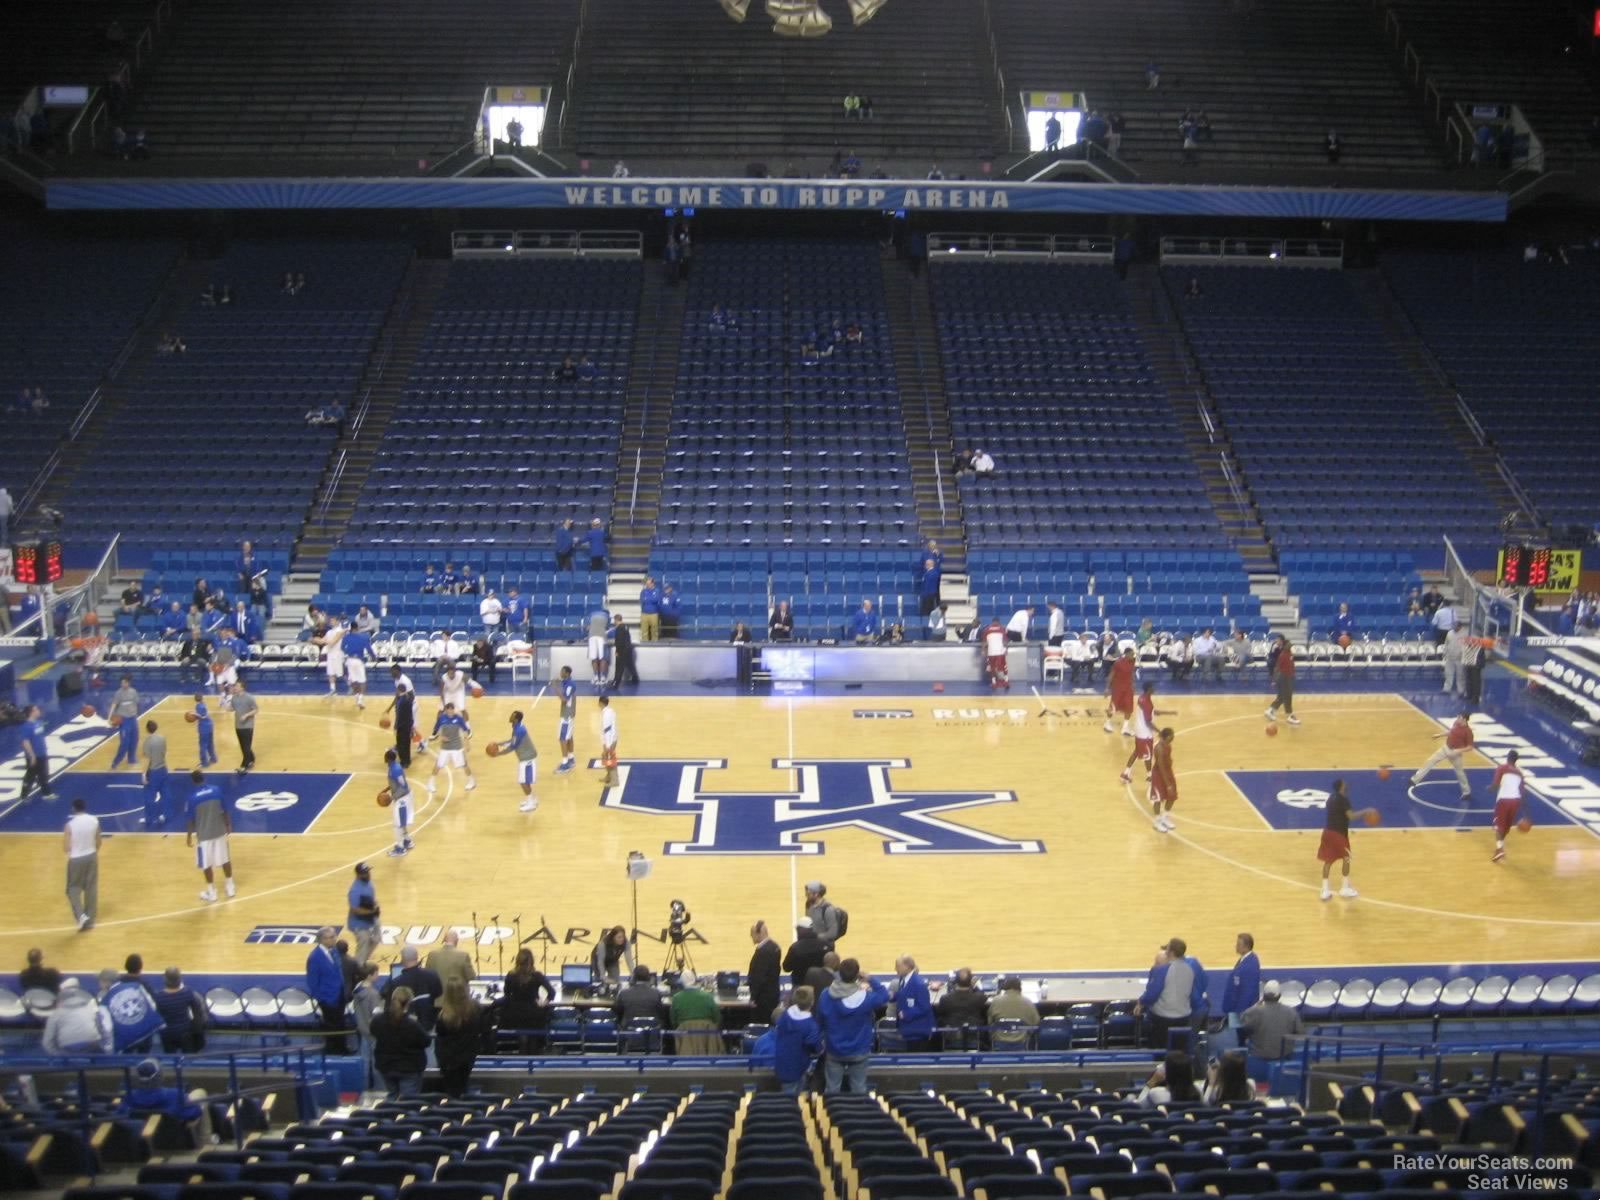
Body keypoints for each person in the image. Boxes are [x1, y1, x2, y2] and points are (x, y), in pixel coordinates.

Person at [817, 960, 889, 1093]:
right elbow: (884, 995)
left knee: (832, 1089)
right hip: (859, 1050)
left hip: (834, 1049)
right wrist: (870, 979)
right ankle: (859, 1112)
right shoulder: (865, 998)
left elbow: (820, 1021)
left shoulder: (826, 995)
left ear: (839, 973)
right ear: (857, 975)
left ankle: (831, 1112)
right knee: (859, 1089)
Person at [1136, 937, 1206, 1050]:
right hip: (1184, 1017)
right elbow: (1192, 992)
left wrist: (1140, 1002)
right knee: (1179, 1049)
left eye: (1167, 948)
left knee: (1160, 1049)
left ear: (1171, 952)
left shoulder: (1161, 970)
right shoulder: (1189, 969)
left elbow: (1152, 994)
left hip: (1163, 1019)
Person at [1318, 778, 1377, 900]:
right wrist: (1367, 811)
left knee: (1328, 861)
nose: (1347, 785)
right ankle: (1344, 888)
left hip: (1327, 832)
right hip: (1339, 834)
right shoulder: (1343, 799)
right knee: (1346, 858)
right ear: (1341, 787)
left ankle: (1325, 890)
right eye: (1345, 784)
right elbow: (1351, 816)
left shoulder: (1330, 798)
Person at [370, 986, 429, 1099]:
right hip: (409, 1068)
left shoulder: (378, 1020)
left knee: (392, 1096)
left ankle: (390, 1116)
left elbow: (374, 1032)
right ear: (409, 1003)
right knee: (408, 1102)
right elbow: (426, 1041)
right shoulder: (412, 1024)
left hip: (386, 1067)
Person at [186, 769, 235, 903]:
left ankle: (212, 892)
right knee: (225, 859)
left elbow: (190, 820)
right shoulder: (216, 790)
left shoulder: (192, 798)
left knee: (206, 864)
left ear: (193, 781)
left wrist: (189, 836)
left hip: (204, 837)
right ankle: (230, 887)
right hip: (219, 831)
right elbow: (225, 809)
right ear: (204, 778)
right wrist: (228, 825)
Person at [433, 977, 482, 1097]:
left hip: (449, 1060)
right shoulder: (475, 1009)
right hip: (466, 1057)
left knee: (453, 1092)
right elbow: (481, 1028)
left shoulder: (443, 1016)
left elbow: (440, 1037)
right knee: (461, 1088)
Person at [501, 947, 556, 1050]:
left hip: (516, 1015)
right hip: (533, 1014)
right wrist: (543, 1002)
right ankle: (533, 1057)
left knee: (523, 1040)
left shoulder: (511, 976)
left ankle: (522, 1058)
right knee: (533, 1040)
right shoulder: (537, 976)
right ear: (531, 963)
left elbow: (506, 994)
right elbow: (552, 993)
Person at [1411, 711, 1475, 798]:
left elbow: (1470, 747)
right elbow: (1451, 732)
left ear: (1464, 719)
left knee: (1460, 772)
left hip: (1455, 753)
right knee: (1430, 761)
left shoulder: (1468, 732)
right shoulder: (1456, 723)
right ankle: (1415, 780)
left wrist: (1458, 751)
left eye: (1459, 717)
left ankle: (1466, 792)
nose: (1457, 718)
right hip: (1445, 748)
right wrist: (1440, 735)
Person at [305, 926, 350, 1052]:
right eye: (330, 938)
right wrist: (321, 999)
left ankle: (343, 1048)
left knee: (341, 1023)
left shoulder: (334, 951)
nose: (334, 939)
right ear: (321, 940)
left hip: (339, 995)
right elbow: (312, 982)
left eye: (334, 936)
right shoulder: (314, 957)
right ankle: (332, 1051)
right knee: (331, 1027)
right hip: (327, 998)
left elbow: (338, 971)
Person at [1121, 682, 1174, 785]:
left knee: (1137, 752)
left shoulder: (1142, 698)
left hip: (1139, 730)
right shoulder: (1147, 702)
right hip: (1144, 733)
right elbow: (1148, 722)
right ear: (1149, 689)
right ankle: (1150, 777)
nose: (1155, 688)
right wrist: (1160, 732)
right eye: (1153, 687)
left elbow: (1152, 712)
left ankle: (1125, 774)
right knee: (1148, 756)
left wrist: (1169, 712)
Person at [773, 986, 823, 1094]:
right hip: (798, 1067)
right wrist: (821, 1047)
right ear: (812, 1002)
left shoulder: (785, 1016)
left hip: (782, 1063)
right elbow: (815, 1046)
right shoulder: (810, 1025)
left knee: (789, 1098)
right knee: (791, 1101)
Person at [1239, 981, 1303, 1065]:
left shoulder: (1253, 1011)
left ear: (1264, 996)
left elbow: (1242, 1025)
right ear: (1279, 996)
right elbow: (1299, 1033)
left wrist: (1255, 1005)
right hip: (1284, 1055)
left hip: (1259, 1054)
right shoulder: (1291, 1012)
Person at [42, 978, 113, 1054]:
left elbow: (47, 1042)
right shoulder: (90, 1009)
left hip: (68, 1049)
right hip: (92, 1045)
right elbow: (101, 1029)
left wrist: (58, 1055)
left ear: (60, 1001)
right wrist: (107, 1048)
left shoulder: (56, 1014)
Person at [64, 798, 101, 931]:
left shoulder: (70, 825)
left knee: (72, 889)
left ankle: (80, 916)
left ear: (73, 809)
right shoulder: (94, 820)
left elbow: (66, 847)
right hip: (91, 856)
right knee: (91, 888)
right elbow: (98, 841)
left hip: (76, 859)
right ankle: (90, 921)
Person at [426, 701, 476, 794]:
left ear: (453, 710)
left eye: (451, 710)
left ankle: (471, 781)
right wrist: (441, 737)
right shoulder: (441, 719)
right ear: (446, 711)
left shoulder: (459, 719)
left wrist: (467, 744)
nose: (450, 712)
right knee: (438, 765)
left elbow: (465, 731)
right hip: (445, 747)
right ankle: (430, 783)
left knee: (464, 765)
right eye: (448, 710)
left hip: (457, 746)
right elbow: (436, 731)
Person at [1220, 933, 1260, 1046]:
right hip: (1239, 1010)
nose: (1235, 946)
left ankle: (1245, 1059)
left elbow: (1248, 991)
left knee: (1242, 1038)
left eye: (1238, 944)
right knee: (1240, 1038)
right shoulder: (1246, 960)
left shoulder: (1250, 964)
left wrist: (1241, 1013)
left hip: (1242, 1012)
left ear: (1246, 946)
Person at [154, 967, 207, 1054]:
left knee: (170, 1058)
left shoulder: (159, 997)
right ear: (180, 979)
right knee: (188, 1059)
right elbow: (198, 1012)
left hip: (167, 1034)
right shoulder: (188, 993)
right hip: (185, 1033)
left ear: (165, 980)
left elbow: (157, 1017)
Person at [669, 971, 722, 1054]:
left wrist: (685, 1026)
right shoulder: (708, 996)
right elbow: (717, 1018)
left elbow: (673, 1021)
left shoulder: (676, 998)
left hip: (685, 1040)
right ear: (694, 981)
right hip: (707, 1038)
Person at [937, 968, 988, 1050]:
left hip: (951, 1036)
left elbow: (940, 1014)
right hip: (974, 1034)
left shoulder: (945, 999)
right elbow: (982, 996)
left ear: (955, 982)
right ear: (970, 982)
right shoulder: (980, 998)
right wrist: (974, 987)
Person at [1491, 749, 1527, 864]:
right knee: (1506, 827)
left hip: (1503, 800)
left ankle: (1500, 849)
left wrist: (1490, 788)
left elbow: (1496, 784)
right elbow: (1522, 792)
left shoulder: (1502, 768)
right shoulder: (1520, 773)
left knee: (1498, 826)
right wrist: (1525, 813)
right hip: (1515, 801)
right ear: (1516, 760)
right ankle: (1499, 848)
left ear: (1508, 758)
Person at [893, 956, 935, 1051]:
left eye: (898, 966)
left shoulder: (918, 984)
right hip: (909, 1029)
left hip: (917, 1032)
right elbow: (905, 994)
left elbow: (925, 1007)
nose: (895, 969)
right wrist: (893, 996)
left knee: (915, 1061)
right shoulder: (904, 979)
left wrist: (906, 1014)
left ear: (907, 966)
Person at [988, 976, 1041, 1048]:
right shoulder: (1027, 1002)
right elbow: (1036, 1021)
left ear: (1005, 987)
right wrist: (1027, 1033)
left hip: (999, 1040)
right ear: (1020, 988)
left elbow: (990, 1022)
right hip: (1022, 1041)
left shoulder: (996, 1001)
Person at [748, 921, 782, 1021]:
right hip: (773, 993)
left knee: (762, 1023)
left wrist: (753, 997)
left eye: (752, 934)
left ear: (759, 933)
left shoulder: (764, 951)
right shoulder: (774, 946)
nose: (751, 937)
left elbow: (759, 977)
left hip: (763, 998)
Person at [22, 705, 55, 801]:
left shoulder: (38, 723)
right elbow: (25, 742)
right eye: (36, 709)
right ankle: (24, 794)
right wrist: (32, 756)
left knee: (43, 774)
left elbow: (39, 734)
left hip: (42, 753)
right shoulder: (26, 726)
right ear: (31, 712)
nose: (38, 711)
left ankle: (46, 793)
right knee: (30, 776)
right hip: (34, 756)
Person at [783, 917, 827, 989]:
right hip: (819, 984)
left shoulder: (795, 948)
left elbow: (786, 968)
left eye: (797, 929)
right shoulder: (825, 945)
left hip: (800, 985)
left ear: (801, 930)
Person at [1265, 636, 1299, 725]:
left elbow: (1290, 665)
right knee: (1287, 696)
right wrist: (1274, 680)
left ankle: (1270, 710)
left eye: (1278, 640)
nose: (1276, 642)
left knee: (1281, 696)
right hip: (1284, 677)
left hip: (1288, 676)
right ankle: (1290, 715)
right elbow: (1278, 668)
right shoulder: (1284, 654)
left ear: (1282, 642)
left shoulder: (1288, 652)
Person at [109, 676, 141, 768]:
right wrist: (109, 717)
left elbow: (137, 703)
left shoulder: (133, 692)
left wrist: (136, 714)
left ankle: (131, 758)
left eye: (124, 682)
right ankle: (116, 762)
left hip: (133, 719)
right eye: (121, 683)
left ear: (128, 683)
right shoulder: (118, 693)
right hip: (124, 720)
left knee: (135, 739)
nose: (122, 684)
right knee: (125, 743)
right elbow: (114, 705)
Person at [1104, 647, 1137, 735]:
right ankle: (1107, 723)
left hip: (1128, 688)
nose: (1133, 656)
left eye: (1133, 654)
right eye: (1131, 654)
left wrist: (1133, 684)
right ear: (1126, 654)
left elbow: (1131, 673)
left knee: (1129, 708)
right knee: (1113, 707)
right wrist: (1107, 688)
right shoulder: (1118, 663)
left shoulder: (1133, 661)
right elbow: (1111, 675)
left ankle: (1125, 728)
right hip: (1118, 688)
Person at [230, 680, 259, 774]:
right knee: (243, 746)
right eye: (235, 686)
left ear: (242, 688)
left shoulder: (249, 697)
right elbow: (232, 708)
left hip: (248, 726)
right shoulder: (234, 698)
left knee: (246, 746)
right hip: (238, 725)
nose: (235, 687)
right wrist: (227, 708)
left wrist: (246, 715)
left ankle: (244, 766)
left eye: (237, 686)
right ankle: (252, 759)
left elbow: (256, 710)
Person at [803, 881, 843, 947]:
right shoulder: (808, 904)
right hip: (812, 944)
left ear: (816, 894)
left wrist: (814, 936)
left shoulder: (828, 910)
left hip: (824, 947)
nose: (806, 895)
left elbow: (832, 933)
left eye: (808, 893)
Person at [609, 614, 639, 686]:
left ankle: (616, 682)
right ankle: (635, 678)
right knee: (630, 664)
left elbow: (619, 640)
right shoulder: (626, 627)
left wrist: (617, 651)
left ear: (616, 620)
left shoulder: (619, 628)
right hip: (628, 648)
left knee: (619, 667)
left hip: (622, 650)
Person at [982, 615, 1009, 690]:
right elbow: (1005, 641)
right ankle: (1006, 681)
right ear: (998, 622)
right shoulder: (1002, 629)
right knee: (1004, 666)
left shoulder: (986, 629)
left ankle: (994, 683)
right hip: (1000, 651)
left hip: (991, 652)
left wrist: (983, 650)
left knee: (992, 667)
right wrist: (1006, 649)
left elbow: (984, 642)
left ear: (992, 622)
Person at [599, 694, 619, 788]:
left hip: (610, 740)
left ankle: (614, 780)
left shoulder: (606, 714)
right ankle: (609, 776)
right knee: (605, 757)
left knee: (610, 759)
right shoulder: (610, 711)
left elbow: (607, 730)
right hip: (612, 739)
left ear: (601, 703)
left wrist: (607, 745)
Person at [587, 607, 610, 688]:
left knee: (594, 658)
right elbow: (607, 628)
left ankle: (596, 677)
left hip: (592, 636)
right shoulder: (607, 616)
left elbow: (588, 627)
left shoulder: (591, 615)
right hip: (601, 637)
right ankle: (603, 678)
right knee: (603, 658)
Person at [639, 576, 662, 641]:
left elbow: (657, 600)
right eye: (646, 584)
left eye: (649, 584)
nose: (647, 585)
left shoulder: (657, 591)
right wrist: (651, 600)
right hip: (644, 614)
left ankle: (655, 645)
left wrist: (647, 599)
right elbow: (642, 600)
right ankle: (644, 645)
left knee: (654, 631)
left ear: (652, 584)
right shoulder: (643, 591)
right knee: (644, 631)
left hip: (654, 614)